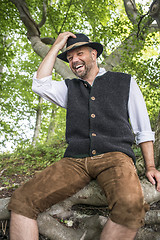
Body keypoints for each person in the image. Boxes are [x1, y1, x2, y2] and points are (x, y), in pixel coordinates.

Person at [8, 32, 160, 240]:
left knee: (131, 206)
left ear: (94, 54)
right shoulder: (68, 88)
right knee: (22, 200)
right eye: (69, 58)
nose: (74, 60)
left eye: (79, 54)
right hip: (74, 161)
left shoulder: (125, 82)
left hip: (115, 157)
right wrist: (58, 44)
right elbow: (40, 84)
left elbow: (143, 129)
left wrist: (150, 166)